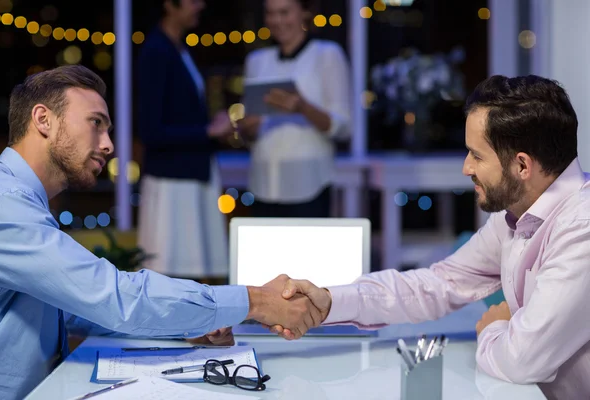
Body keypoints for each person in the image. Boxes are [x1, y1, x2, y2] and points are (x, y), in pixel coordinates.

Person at [0, 65, 324, 400]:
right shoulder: (2, 204)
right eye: (96, 123)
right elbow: (113, 296)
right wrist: (258, 301)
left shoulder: (18, 200)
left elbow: (71, 308)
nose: (108, 145)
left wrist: (188, 325)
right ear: (43, 120)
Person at [270, 75, 590, 400]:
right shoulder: (515, 216)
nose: (466, 168)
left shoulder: (582, 229)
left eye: (477, 156)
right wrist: (330, 302)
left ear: (522, 165)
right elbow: (436, 284)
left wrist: (493, 327)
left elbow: (522, 361)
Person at [136, 0, 232, 278]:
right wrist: (208, 131)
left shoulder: (178, 48)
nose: (201, 5)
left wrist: (212, 128)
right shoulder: (157, 50)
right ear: (169, 4)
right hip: (172, 184)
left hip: (188, 175)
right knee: (170, 274)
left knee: (187, 276)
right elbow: (151, 130)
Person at [238, 0, 351, 218]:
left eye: (284, 12)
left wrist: (302, 107)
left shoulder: (327, 55)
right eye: (270, 14)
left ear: (304, 13)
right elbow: (248, 131)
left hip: (309, 184)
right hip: (263, 185)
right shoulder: (257, 61)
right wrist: (247, 128)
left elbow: (343, 126)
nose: (277, 21)